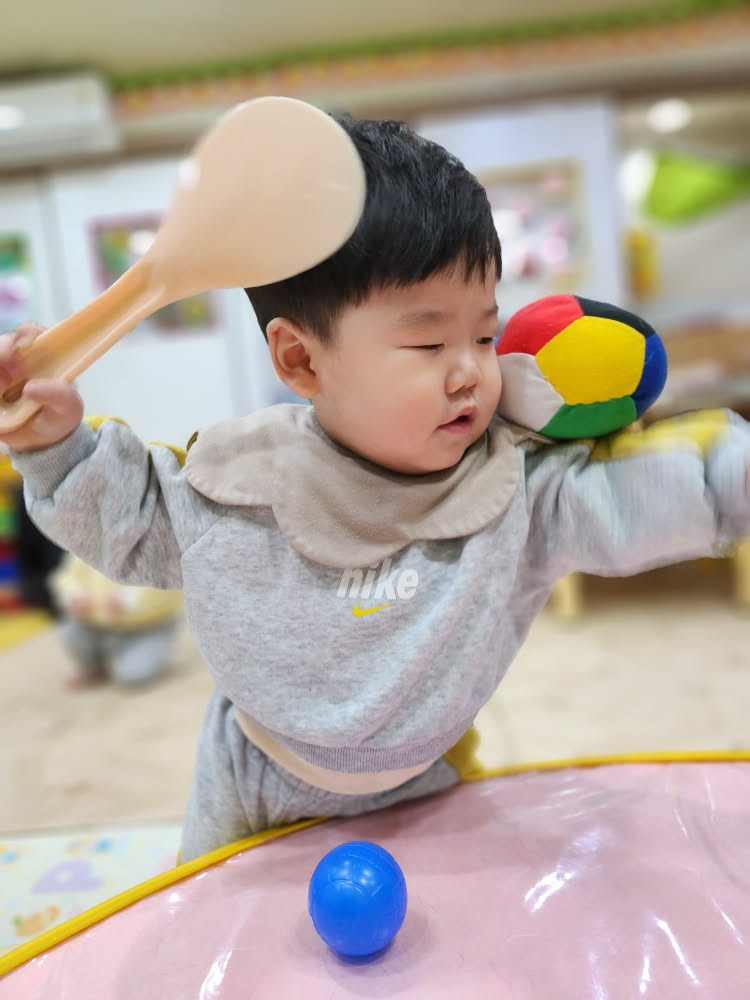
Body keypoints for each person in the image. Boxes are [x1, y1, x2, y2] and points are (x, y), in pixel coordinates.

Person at [1, 115, 749, 863]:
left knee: (446, 917)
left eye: (484, 336)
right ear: (301, 361)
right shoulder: (243, 483)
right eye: (428, 343)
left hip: (423, 779)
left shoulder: (511, 486)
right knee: (214, 923)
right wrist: (51, 445)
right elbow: (127, 514)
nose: (471, 372)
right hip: (251, 779)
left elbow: (633, 494)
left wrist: (728, 478)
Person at [48, 552, 183, 688]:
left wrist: (129, 602)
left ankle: (147, 657)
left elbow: (166, 582)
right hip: (98, 624)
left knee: (133, 677)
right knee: (70, 627)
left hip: (147, 627)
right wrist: (74, 596)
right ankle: (95, 667)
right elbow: (66, 577)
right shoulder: (91, 545)